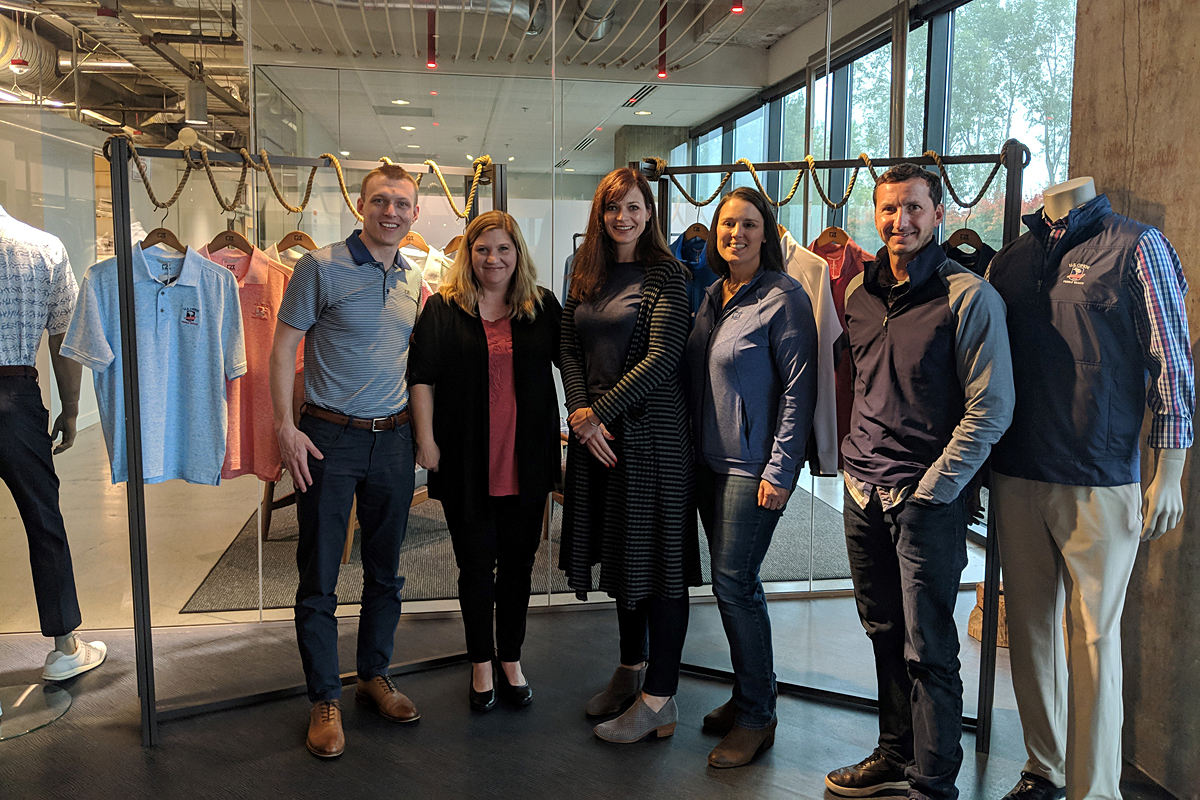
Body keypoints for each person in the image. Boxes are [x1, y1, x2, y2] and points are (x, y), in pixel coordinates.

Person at [987, 178, 1193, 800]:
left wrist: (1170, 469)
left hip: (1098, 476)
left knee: (1095, 637)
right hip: (1016, 470)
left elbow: (1172, 362)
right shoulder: (1010, 260)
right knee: (1029, 631)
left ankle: (1095, 789)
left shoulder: (1136, 246)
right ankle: (1044, 768)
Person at [826, 163, 1014, 799]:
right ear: (874, 215)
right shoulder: (859, 293)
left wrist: (937, 488)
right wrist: (851, 465)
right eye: (888, 209)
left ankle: (933, 782)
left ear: (938, 214)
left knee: (928, 645)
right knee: (882, 630)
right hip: (862, 488)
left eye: (913, 208)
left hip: (926, 497)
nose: (899, 221)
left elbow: (992, 406)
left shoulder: (969, 297)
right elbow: (864, 387)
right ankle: (894, 753)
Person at [270, 164, 425, 759]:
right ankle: (324, 697)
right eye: (380, 200)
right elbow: (284, 347)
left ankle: (373, 675)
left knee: (387, 571)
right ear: (361, 205)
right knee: (320, 575)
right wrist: (285, 427)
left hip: (393, 441)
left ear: (415, 214)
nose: (391, 212)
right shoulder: (318, 265)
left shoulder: (413, 278)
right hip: (328, 438)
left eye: (402, 204)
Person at [559, 167, 700, 744]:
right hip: (598, 436)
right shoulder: (584, 270)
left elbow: (663, 358)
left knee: (661, 565)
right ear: (601, 213)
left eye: (634, 207)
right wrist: (579, 411)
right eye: (613, 207)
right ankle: (630, 669)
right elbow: (567, 346)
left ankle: (660, 698)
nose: (624, 217)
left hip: (652, 441)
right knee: (623, 555)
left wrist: (596, 414)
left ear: (649, 213)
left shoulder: (669, 274)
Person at [683, 187, 818, 768]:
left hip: (752, 465)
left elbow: (800, 390)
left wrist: (781, 469)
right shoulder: (714, 293)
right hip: (708, 463)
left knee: (735, 583)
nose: (735, 233)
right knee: (731, 585)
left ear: (767, 233)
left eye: (748, 224)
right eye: (727, 224)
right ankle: (747, 696)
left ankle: (758, 716)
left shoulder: (783, 297)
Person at [408, 211, 562, 712]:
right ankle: (480, 661)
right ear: (468, 255)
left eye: (503, 249)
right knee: (474, 566)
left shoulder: (543, 307)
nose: (493, 259)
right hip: (465, 460)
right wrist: (426, 441)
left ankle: (510, 658)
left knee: (518, 566)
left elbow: (576, 365)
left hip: (526, 460)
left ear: (518, 253)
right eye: (482, 250)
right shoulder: (443, 308)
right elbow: (421, 377)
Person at [0, 205, 106, 682]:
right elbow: (65, 336)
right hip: (15, 395)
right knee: (44, 521)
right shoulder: (43, 247)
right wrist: (71, 407)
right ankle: (64, 647)